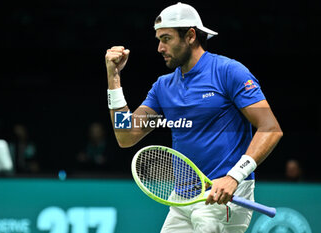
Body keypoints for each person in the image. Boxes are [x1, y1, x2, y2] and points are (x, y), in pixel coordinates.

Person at [105, 3, 283, 233]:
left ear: (190, 36)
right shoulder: (163, 87)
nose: (159, 47)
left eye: (166, 38)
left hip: (221, 197)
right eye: (159, 39)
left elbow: (271, 128)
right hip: (182, 200)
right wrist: (114, 78)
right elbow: (125, 135)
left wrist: (233, 177)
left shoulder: (228, 72)